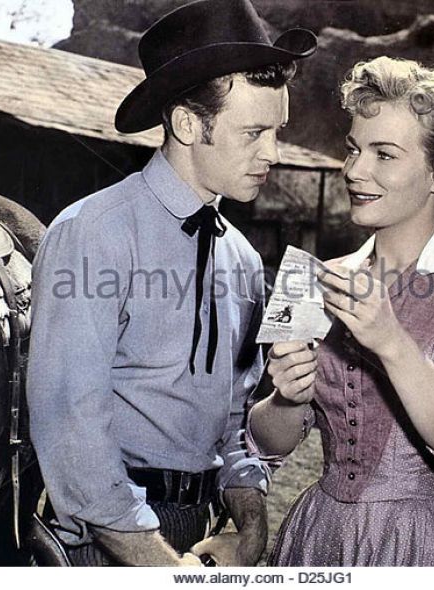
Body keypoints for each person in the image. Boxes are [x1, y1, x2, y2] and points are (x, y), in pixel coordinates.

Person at [26, 0, 316, 566]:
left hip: (196, 535)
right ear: (187, 124)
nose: (273, 154)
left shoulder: (242, 259)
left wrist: (250, 524)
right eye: (253, 132)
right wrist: (161, 567)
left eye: (276, 131)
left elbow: (233, 424)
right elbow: (72, 433)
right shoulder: (93, 233)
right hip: (105, 543)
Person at [248, 57, 434, 566]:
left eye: (384, 154)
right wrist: (287, 399)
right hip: (320, 537)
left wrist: (393, 343)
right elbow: (268, 445)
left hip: (420, 544)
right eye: (354, 149)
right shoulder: (313, 277)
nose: (355, 171)